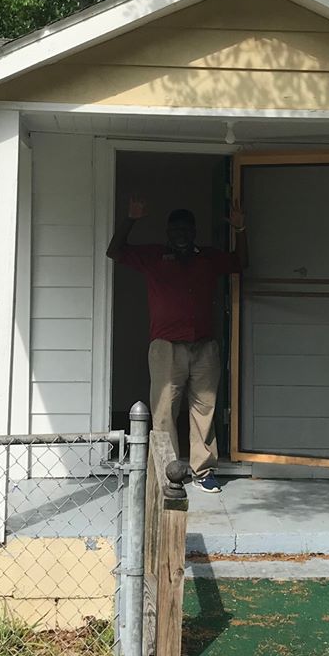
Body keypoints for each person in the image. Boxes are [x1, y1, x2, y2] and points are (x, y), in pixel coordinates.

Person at [107, 197, 248, 493]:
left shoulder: (207, 258)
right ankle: (166, 470)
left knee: (204, 410)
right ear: (168, 232)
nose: (181, 235)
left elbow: (240, 263)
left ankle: (204, 471)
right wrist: (130, 219)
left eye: (186, 229)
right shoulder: (154, 256)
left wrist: (240, 228)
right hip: (166, 347)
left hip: (204, 347)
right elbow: (115, 251)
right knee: (163, 412)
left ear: (194, 231)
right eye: (176, 230)